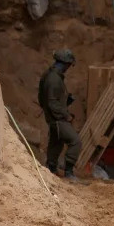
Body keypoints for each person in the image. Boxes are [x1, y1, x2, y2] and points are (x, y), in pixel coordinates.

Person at [37, 49, 82, 179]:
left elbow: (45, 98)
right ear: (65, 63)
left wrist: (66, 101)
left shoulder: (50, 75)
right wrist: (65, 115)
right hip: (57, 119)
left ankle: (51, 168)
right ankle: (69, 172)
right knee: (75, 141)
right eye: (69, 65)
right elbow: (52, 102)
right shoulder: (54, 79)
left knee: (56, 142)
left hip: (53, 117)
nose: (69, 68)